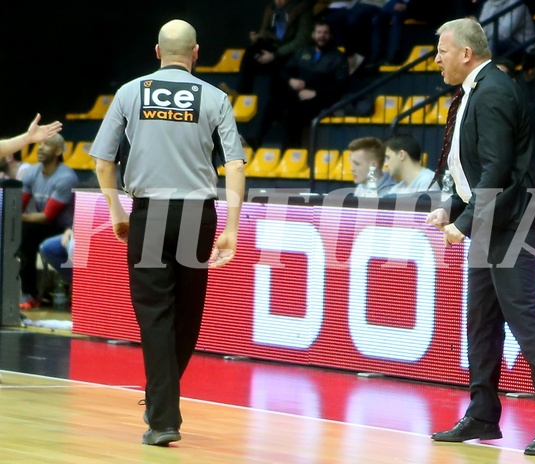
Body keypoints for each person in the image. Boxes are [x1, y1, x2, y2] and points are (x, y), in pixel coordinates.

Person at [90, 19, 246, 447]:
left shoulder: (129, 91)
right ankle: (162, 402)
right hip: (199, 213)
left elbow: (103, 161)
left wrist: (117, 210)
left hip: (151, 211)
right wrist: (232, 226)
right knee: (188, 312)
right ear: (197, 53)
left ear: (156, 52)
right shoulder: (216, 97)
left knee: (155, 311)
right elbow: (234, 164)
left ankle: (162, 415)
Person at [425, 18, 535, 456]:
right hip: (495, 217)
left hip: (512, 218)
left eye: (441, 50)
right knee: (482, 321)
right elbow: (472, 168)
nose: (436, 59)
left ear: (466, 54)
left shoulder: (492, 92)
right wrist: (453, 208)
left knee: (525, 320)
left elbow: (498, 170)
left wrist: (464, 224)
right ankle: (483, 415)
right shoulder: (478, 89)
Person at [260, 20, 349, 149]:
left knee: (291, 112)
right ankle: (254, 140)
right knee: (272, 102)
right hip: (299, 95)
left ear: (330, 36)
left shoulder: (338, 57)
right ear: (313, 35)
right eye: (319, 32)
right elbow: (285, 69)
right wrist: (291, 80)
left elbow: (341, 86)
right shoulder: (304, 52)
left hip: (321, 99)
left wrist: (316, 93)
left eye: (325, 33)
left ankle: (291, 150)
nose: (322, 36)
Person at [18, 134, 79, 310]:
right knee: (17, 231)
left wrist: (18, 218)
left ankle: (31, 294)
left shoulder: (65, 177)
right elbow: (18, 204)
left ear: (59, 151)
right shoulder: (32, 172)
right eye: (40, 143)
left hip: (65, 228)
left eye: (47, 144)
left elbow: (48, 216)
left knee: (25, 231)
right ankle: (27, 293)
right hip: (42, 226)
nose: (40, 147)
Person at [219, 0, 313, 101]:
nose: (278, 1)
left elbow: (301, 41)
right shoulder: (271, 9)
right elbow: (266, 31)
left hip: (290, 51)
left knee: (278, 63)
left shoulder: (302, 11)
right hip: (274, 46)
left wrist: (275, 54)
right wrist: (258, 37)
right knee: (252, 51)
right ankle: (242, 92)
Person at [478, 0, 535, 65]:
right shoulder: (488, 4)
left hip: (523, 47)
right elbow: (480, 31)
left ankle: (488, 72)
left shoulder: (517, 4)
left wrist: (487, 31)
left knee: (492, 43)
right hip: (500, 46)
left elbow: (504, 34)